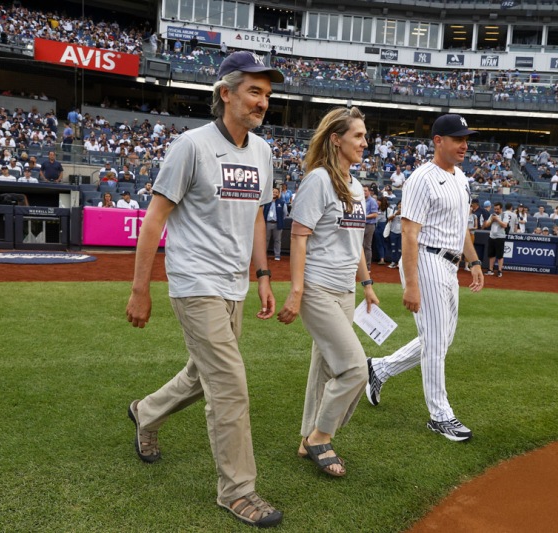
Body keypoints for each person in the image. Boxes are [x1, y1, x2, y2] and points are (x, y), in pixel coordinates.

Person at [125, 50, 284, 528]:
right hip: (195, 282)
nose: (262, 102)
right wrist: (140, 289)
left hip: (235, 284)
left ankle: (146, 413)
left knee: (204, 375)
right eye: (254, 91)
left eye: (267, 94)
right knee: (230, 387)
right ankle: (238, 491)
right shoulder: (190, 146)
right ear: (225, 94)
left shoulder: (262, 152)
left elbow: (257, 214)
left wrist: (261, 276)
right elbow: (155, 218)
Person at [365, 114, 485, 442]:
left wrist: (474, 261)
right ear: (438, 141)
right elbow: (409, 231)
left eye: (466, 139)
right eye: (457, 138)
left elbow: (461, 228)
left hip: (449, 263)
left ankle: (379, 369)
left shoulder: (460, 177)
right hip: (426, 258)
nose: (464, 145)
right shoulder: (422, 178)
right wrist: (412, 283)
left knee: (441, 339)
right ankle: (440, 414)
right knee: (435, 341)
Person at [277, 106, 378, 477]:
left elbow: (354, 245)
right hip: (318, 289)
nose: (365, 143)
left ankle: (307, 436)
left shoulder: (355, 185)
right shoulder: (318, 181)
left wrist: (366, 284)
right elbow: (299, 238)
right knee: (354, 369)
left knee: (322, 368)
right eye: (358, 136)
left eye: (365, 136)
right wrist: (296, 291)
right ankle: (322, 436)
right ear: (336, 139)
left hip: (345, 291)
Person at [484, 201, 509, 277]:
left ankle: (499, 270)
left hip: (500, 237)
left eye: (497, 209)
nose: (496, 210)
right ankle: (490, 269)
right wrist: (492, 220)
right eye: (495, 209)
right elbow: (486, 225)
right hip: (492, 236)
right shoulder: (492, 215)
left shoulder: (505, 215)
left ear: (501, 208)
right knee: (491, 254)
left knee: (500, 255)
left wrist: (497, 219)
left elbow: (505, 225)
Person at [264, 187, 287, 261]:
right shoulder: (266, 202)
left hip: (277, 224)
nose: (274, 193)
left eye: (276, 192)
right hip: (267, 223)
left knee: (277, 240)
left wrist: (279, 220)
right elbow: (262, 212)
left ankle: (277, 255)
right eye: (273, 192)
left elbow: (285, 214)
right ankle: (263, 255)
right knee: (265, 240)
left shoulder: (282, 203)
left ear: (278, 194)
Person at [362, 184, 378, 269]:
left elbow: (375, 214)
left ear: (369, 192)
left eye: (365, 190)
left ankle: (367, 267)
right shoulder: (360, 200)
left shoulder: (372, 201)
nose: (364, 192)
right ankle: (360, 267)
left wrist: (363, 216)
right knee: (359, 246)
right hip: (361, 225)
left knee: (367, 246)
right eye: (363, 190)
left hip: (369, 225)